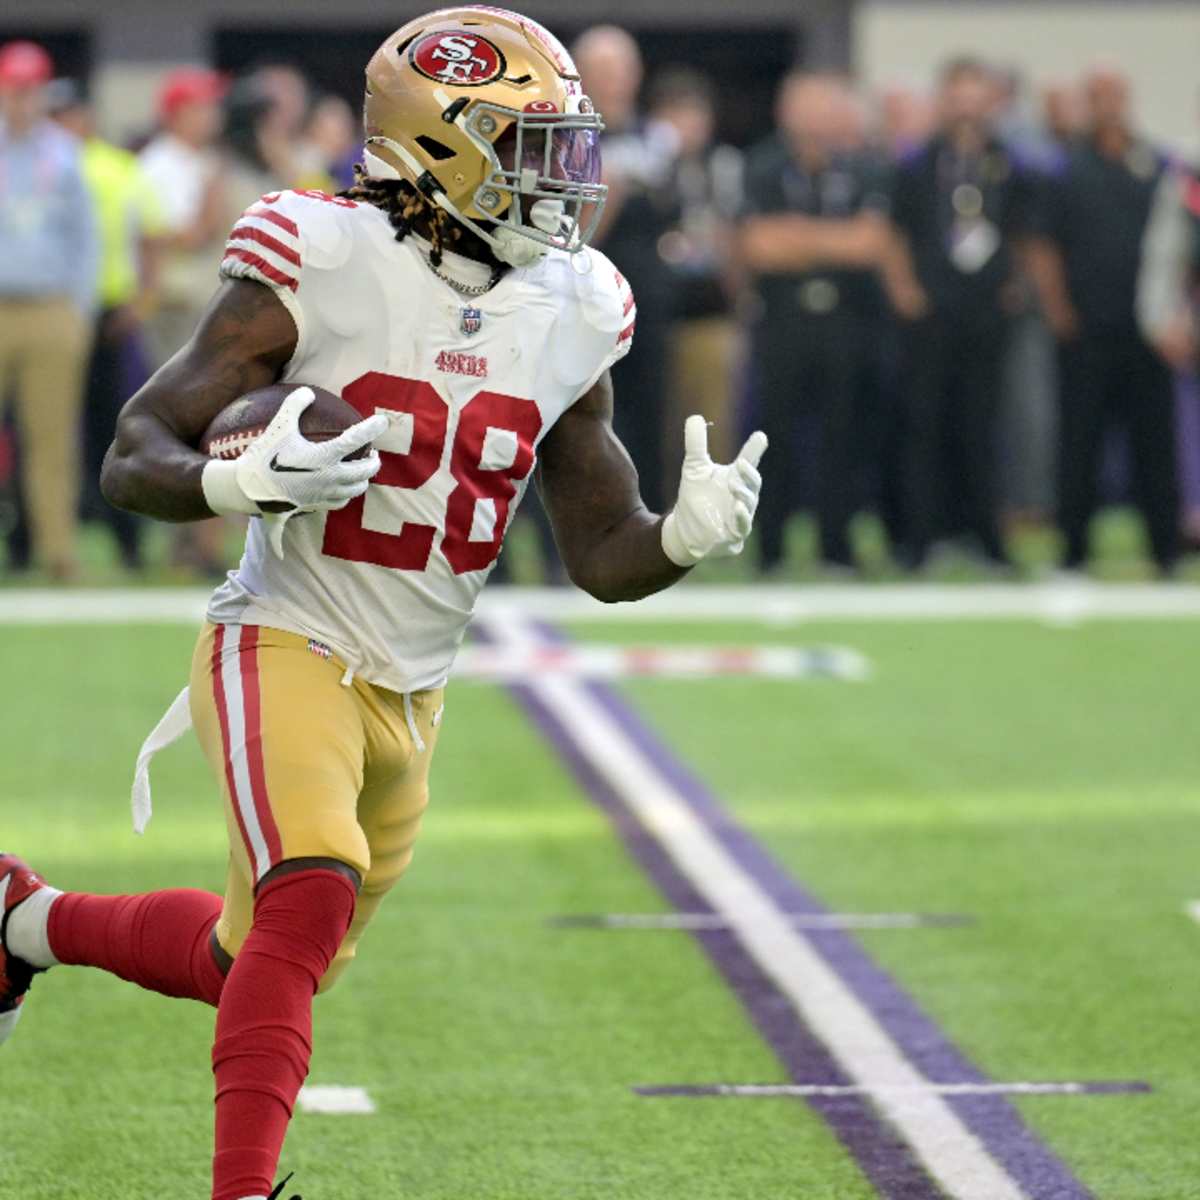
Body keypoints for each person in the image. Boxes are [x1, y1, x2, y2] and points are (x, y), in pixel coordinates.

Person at [0, 11, 768, 1200]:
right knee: (307, 896)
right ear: (439, 148)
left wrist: (681, 535)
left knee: (253, 960)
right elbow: (133, 449)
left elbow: (600, 550)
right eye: (530, 147)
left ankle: (22, 923)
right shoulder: (321, 254)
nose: (562, 180)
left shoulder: (574, 303)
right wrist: (229, 480)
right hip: (284, 633)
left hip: (414, 688)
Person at [887, 56, 1040, 571]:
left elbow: (1026, 233)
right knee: (923, 423)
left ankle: (986, 539)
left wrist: (1017, 284)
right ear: (944, 100)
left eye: (978, 95)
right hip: (931, 310)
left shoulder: (1011, 164)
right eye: (958, 95)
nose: (967, 107)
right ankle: (920, 541)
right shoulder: (916, 163)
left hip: (988, 311)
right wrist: (906, 287)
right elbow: (893, 230)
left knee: (984, 422)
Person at [1028, 66, 1180, 574]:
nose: (1108, 105)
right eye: (1097, 96)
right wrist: (1058, 311)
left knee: (1155, 445)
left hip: (1149, 331)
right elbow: (1042, 246)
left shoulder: (1158, 164)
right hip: (1085, 330)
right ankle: (1072, 551)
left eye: (1115, 94)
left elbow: (1182, 246)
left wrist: (1178, 316)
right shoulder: (1065, 168)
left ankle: (1165, 550)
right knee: (1079, 444)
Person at [741, 72, 890, 574]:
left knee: (843, 435)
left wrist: (797, 235)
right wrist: (834, 239)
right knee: (773, 437)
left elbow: (871, 244)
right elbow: (757, 247)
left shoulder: (863, 169)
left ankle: (837, 548)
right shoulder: (762, 166)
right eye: (802, 109)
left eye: (822, 109)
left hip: (845, 323)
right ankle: (772, 551)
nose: (812, 121)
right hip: (781, 322)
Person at [47, 77, 165, 571]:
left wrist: (142, 301)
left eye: (70, 115)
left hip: (109, 312)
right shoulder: (38, 164)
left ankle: (128, 542)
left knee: (112, 428)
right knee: (47, 430)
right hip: (53, 306)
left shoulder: (116, 168)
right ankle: (33, 542)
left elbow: (150, 235)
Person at [0, 41, 98, 580]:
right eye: (13, 90)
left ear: (42, 93)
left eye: (30, 90)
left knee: (52, 436)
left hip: (50, 309)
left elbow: (87, 238)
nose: (21, 100)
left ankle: (58, 551)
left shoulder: (63, 152)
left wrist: (77, 311)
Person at [574, 25, 681, 512]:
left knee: (648, 414)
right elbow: (566, 235)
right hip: (577, 297)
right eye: (602, 71)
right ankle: (573, 538)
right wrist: (608, 195)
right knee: (577, 417)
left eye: (621, 70)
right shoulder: (565, 137)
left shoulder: (658, 138)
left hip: (645, 297)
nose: (614, 81)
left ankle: (650, 527)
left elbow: (682, 218)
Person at [648, 68, 743, 469]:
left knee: (712, 421)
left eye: (695, 115)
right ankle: (659, 517)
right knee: (659, 421)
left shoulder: (723, 166)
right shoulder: (645, 167)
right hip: (654, 313)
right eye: (677, 115)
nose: (688, 127)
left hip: (710, 311)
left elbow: (737, 235)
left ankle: (715, 511)